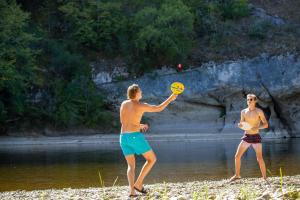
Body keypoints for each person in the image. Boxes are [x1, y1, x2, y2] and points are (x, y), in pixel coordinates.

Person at [120, 84, 177, 197]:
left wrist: (140, 125)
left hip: (123, 137)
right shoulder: (141, 105)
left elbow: (124, 121)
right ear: (136, 93)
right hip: (135, 137)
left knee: (131, 166)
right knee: (152, 159)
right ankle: (139, 183)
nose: (142, 92)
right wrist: (171, 98)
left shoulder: (124, 104)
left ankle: (132, 192)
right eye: (140, 91)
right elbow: (159, 108)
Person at [230, 94, 268, 182]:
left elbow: (266, 125)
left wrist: (257, 127)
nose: (249, 101)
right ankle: (237, 175)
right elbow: (242, 124)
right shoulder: (243, 112)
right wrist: (240, 125)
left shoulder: (259, 111)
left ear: (255, 101)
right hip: (247, 136)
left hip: (256, 137)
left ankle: (264, 178)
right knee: (237, 156)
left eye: (251, 99)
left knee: (259, 158)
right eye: (248, 99)